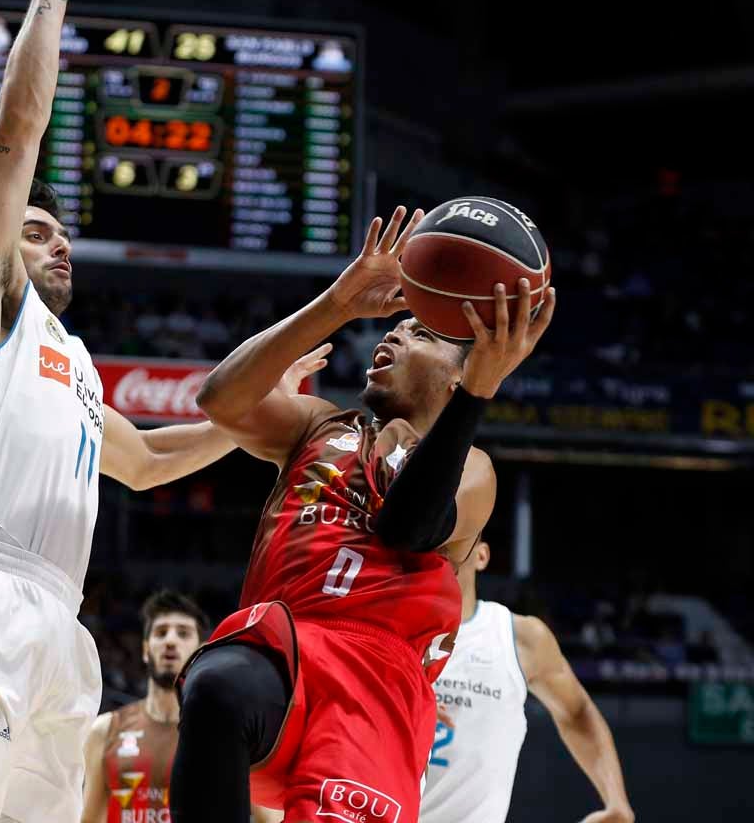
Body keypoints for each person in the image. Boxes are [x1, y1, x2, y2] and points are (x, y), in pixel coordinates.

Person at [0, 0, 314, 823]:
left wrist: (257, 416)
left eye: (64, 236)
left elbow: (150, 459)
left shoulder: (74, 363)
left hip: (59, 627)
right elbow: (13, 145)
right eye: (38, 232)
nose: (60, 245)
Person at [170, 208, 556, 823]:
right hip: (289, 649)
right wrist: (338, 304)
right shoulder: (319, 425)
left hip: (376, 684)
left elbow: (409, 527)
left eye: (420, 334)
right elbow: (220, 399)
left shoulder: (473, 468)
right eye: (395, 327)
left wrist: (480, 392)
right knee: (217, 684)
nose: (393, 336)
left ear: (458, 379)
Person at [421, 541, 634, 823]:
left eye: (459, 536)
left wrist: (616, 801)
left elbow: (577, 712)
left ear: (482, 555)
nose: (446, 544)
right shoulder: (389, 627)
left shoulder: (519, 637)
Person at [80, 592, 209, 823]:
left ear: (201, 650)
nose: (170, 641)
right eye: (161, 632)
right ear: (145, 649)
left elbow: (269, 817)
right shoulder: (105, 730)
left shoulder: (223, 734)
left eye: (183, 633)